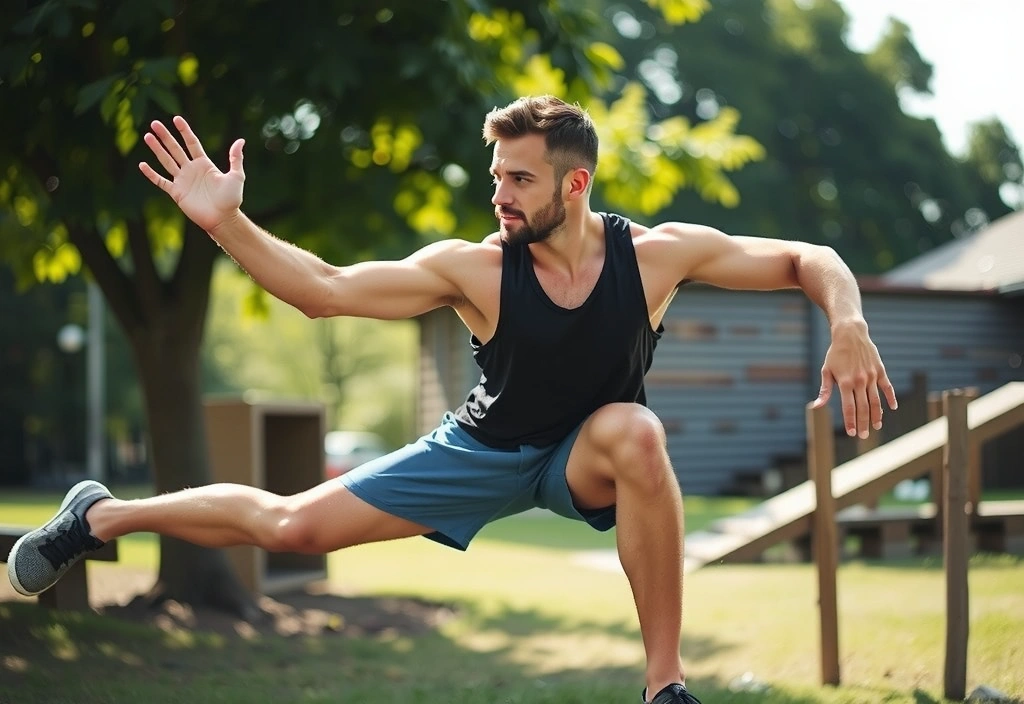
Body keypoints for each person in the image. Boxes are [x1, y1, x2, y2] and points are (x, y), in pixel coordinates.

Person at [7, 95, 897, 704]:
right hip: (483, 451)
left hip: (584, 455)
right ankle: (103, 518)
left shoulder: (657, 256)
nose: (498, 194)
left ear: (575, 184)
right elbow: (324, 287)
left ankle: (664, 685)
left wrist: (848, 323)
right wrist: (225, 222)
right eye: (496, 174)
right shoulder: (476, 268)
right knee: (290, 529)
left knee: (637, 430)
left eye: (519, 179)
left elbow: (805, 259)